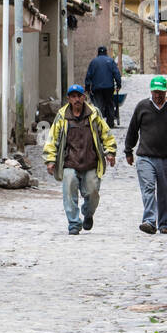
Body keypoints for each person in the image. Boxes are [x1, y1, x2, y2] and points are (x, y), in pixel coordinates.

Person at [43, 84, 116, 235]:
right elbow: (52, 139)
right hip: (70, 162)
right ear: (68, 99)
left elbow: (106, 133)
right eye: (73, 96)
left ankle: (88, 213)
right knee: (69, 191)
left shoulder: (94, 114)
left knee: (93, 194)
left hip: (91, 163)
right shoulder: (62, 116)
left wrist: (110, 151)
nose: (77, 99)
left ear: (84, 98)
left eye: (79, 96)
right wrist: (50, 160)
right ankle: (74, 223)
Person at [124, 76, 167, 235]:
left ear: (166, 91)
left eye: (160, 92)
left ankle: (164, 223)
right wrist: (128, 150)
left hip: (166, 158)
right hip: (145, 157)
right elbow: (133, 129)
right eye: (155, 92)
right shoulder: (142, 106)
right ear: (151, 91)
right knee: (148, 188)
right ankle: (149, 221)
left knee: (163, 191)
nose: (158, 95)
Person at [85, 46, 123, 127]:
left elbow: (89, 75)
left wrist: (87, 87)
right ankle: (110, 123)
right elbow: (116, 73)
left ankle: (99, 124)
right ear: (106, 52)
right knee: (110, 104)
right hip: (109, 87)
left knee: (99, 105)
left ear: (98, 53)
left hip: (97, 88)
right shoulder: (110, 61)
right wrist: (118, 84)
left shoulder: (93, 62)